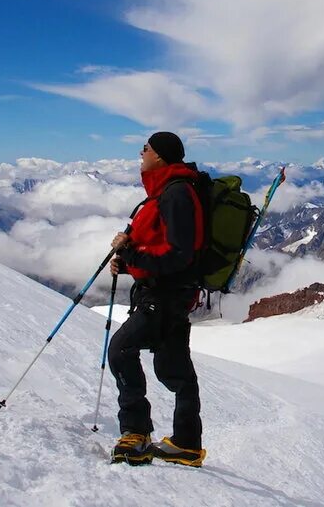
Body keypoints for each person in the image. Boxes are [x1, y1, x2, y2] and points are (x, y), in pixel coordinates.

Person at [107, 131, 207, 467]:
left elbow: (180, 254)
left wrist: (133, 253)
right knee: (175, 371)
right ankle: (187, 445)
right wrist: (130, 262)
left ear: (161, 156)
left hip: (165, 295)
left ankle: (135, 434)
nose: (141, 152)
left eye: (146, 148)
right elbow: (160, 248)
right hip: (172, 294)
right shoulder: (167, 190)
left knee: (121, 349)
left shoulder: (176, 193)